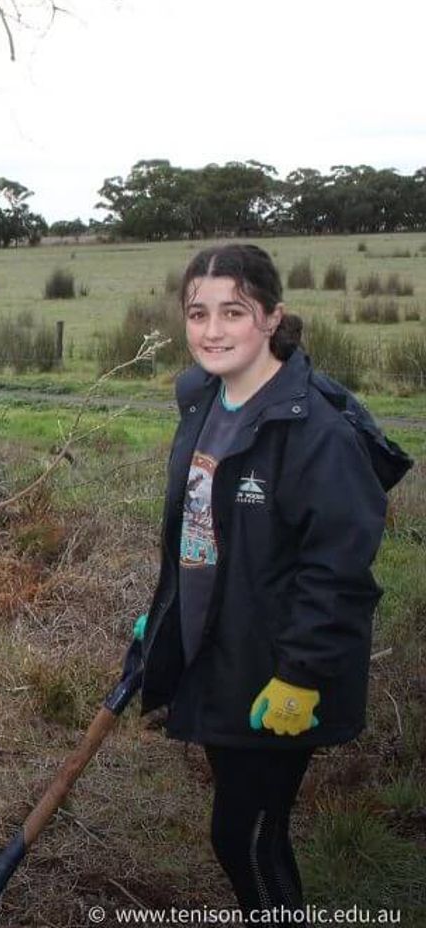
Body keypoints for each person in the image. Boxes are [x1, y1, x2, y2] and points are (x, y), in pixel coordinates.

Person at [138, 244, 412, 914]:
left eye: (233, 312)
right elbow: (199, 533)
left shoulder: (315, 430)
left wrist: (301, 675)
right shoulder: (203, 400)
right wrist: (168, 611)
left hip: (278, 669)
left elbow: (338, 573)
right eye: (197, 313)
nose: (212, 330)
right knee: (245, 832)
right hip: (218, 653)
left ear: (271, 317)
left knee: (247, 839)